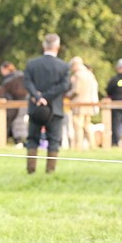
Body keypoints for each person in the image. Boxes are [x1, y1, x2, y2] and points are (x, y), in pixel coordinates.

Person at [23, 34, 71, 173]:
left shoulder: (32, 64)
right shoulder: (63, 66)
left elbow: (27, 82)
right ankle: (50, 171)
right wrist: (47, 97)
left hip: (36, 107)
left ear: (44, 46)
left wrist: (38, 97)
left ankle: (31, 170)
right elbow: (64, 85)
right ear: (57, 47)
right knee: (54, 140)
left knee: (32, 139)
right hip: (55, 108)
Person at [68, 57, 100, 150]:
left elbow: (76, 90)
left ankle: (78, 146)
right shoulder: (90, 74)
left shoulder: (78, 75)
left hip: (78, 104)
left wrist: (67, 95)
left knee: (78, 126)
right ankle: (93, 145)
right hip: (89, 104)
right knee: (87, 125)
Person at [104, 58, 122, 147]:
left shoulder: (114, 79)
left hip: (116, 104)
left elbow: (109, 91)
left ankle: (116, 142)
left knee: (116, 124)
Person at [0, 61, 27, 144]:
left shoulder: (9, 79)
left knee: (18, 121)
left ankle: (19, 140)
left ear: (5, 69)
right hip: (24, 101)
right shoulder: (21, 75)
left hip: (16, 102)